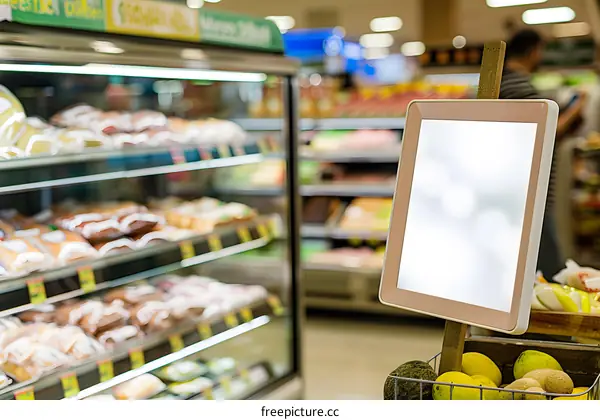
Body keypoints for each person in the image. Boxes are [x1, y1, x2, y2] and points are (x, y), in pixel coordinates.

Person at [500, 29, 586, 278]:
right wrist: (577, 106)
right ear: (534, 51)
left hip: (520, 188)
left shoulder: (506, 81)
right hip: (530, 190)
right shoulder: (516, 84)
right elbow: (547, 132)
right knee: (551, 270)